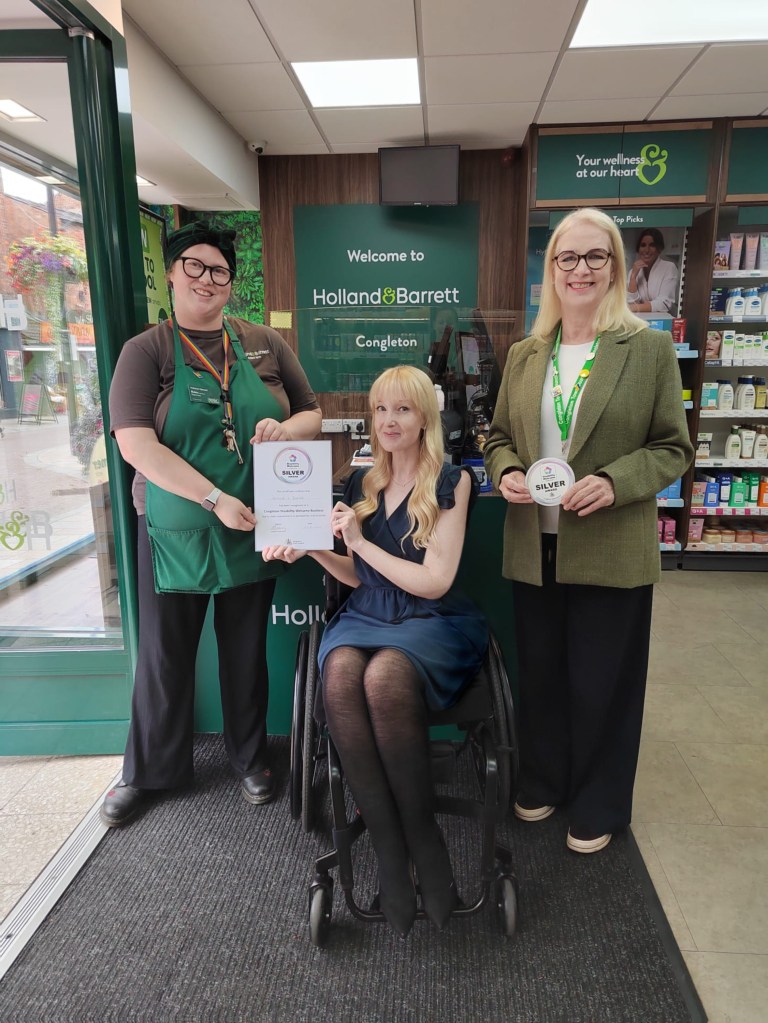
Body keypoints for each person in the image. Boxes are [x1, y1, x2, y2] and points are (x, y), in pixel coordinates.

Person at [484, 207, 693, 854]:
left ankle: (599, 800)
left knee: (604, 681)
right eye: (567, 258)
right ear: (551, 270)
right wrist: (509, 469)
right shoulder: (525, 353)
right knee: (542, 675)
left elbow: (672, 448)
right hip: (534, 544)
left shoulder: (647, 348)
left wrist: (617, 480)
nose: (580, 269)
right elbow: (495, 437)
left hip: (610, 548)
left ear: (616, 267)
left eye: (594, 256)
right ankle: (544, 778)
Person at [101, 221, 322, 827]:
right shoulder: (145, 352)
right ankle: (148, 772)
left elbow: (312, 413)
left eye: (218, 270)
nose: (206, 279)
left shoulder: (262, 344)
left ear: (232, 281)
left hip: (257, 519)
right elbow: (137, 446)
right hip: (175, 527)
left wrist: (285, 430)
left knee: (245, 650)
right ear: (171, 275)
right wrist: (212, 497)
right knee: (165, 655)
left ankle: (250, 760)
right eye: (193, 267)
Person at [263, 366, 488, 935]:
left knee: (385, 677)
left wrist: (359, 539)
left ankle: (424, 842)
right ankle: (389, 848)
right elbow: (361, 578)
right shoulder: (359, 483)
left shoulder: (452, 482)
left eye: (403, 410)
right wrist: (315, 549)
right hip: (369, 614)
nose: (389, 421)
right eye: (381, 409)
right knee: (338, 673)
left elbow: (434, 581)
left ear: (425, 419)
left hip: (430, 618)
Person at [626, 227, 679, 314]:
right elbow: (631, 302)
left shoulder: (669, 267)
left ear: (659, 249)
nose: (646, 250)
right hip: (640, 320)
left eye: (652, 245)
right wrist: (633, 277)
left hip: (662, 321)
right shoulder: (633, 271)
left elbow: (664, 304)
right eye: (643, 245)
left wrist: (632, 308)